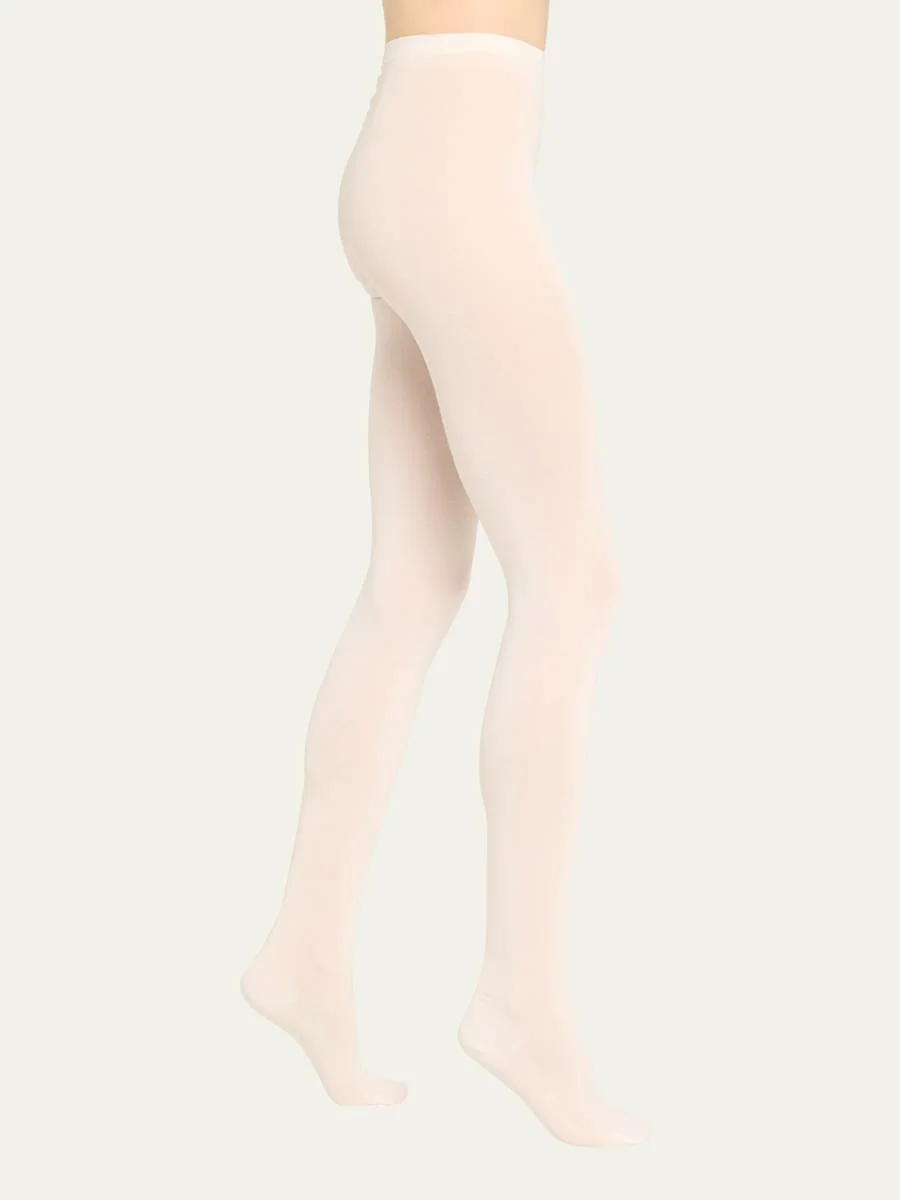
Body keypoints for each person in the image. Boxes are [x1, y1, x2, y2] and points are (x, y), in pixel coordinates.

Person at [241, 0, 650, 1149]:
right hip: (456, 175)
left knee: (412, 586)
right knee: (573, 585)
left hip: (412, 154)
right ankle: (521, 1001)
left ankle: (305, 949)